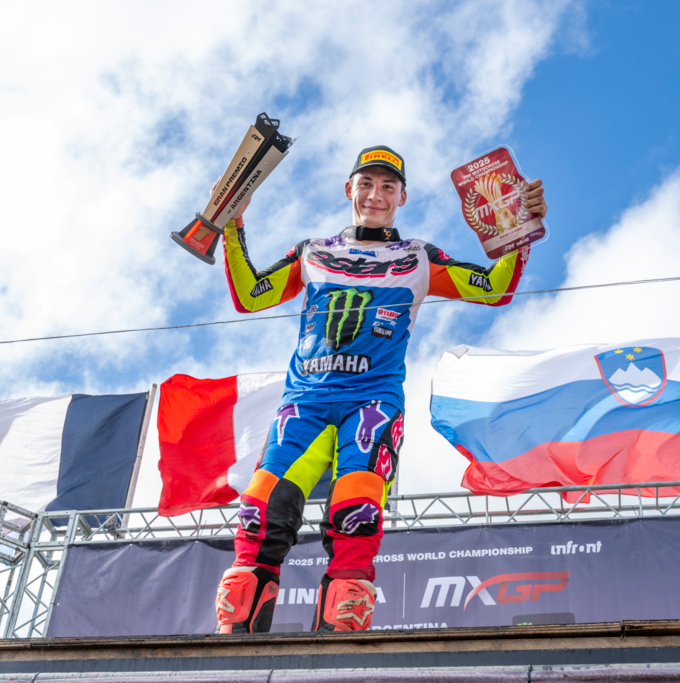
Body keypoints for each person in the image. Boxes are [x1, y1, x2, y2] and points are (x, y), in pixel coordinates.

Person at [214, 145, 547, 634]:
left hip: (371, 403)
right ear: (349, 189)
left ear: (402, 197)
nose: (376, 194)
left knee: (356, 513)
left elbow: (493, 289)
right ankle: (237, 639)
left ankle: (338, 640)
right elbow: (250, 295)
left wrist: (517, 230)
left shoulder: (418, 256)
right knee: (261, 509)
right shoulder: (313, 250)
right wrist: (232, 225)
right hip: (306, 402)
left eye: (388, 186)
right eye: (366, 183)